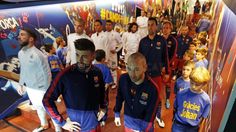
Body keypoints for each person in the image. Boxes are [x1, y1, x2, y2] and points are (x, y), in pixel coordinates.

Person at [43, 38, 106, 132]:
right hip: (78, 128)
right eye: (77, 55)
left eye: (84, 56)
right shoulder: (65, 75)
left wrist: (103, 107)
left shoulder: (97, 72)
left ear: (93, 56)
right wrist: (62, 122)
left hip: (95, 124)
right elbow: (47, 99)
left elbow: (102, 92)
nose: (79, 60)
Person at [17, 28, 61, 132]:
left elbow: (47, 73)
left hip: (42, 88)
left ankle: (58, 128)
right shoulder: (20, 53)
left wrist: (47, 89)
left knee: (50, 109)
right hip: (30, 88)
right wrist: (21, 83)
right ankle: (44, 124)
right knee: (38, 107)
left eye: (22, 35)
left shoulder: (38, 55)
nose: (19, 37)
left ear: (31, 39)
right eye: (19, 35)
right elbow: (23, 69)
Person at [114, 52, 159, 131]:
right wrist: (117, 113)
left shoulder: (152, 88)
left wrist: (144, 129)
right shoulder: (123, 79)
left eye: (136, 69)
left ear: (145, 68)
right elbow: (119, 97)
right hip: (128, 122)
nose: (132, 74)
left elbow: (151, 114)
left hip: (143, 125)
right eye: (129, 69)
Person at [138, 17, 169, 128]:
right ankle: (144, 116)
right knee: (143, 96)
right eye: (148, 24)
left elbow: (165, 57)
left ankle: (158, 116)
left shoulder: (162, 40)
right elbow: (139, 58)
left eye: (152, 24)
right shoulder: (143, 41)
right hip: (144, 75)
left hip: (156, 75)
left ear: (156, 26)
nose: (150, 27)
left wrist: (167, 72)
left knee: (158, 98)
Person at [172, 67, 211, 132]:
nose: (193, 86)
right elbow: (175, 107)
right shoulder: (181, 93)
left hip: (193, 128)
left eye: (197, 85)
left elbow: (203, 117)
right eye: (192, 83)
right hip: (178, 125)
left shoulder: (206, 99)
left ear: (204, 84)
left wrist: (200, 129)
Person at [94, 49, 113, 126]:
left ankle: (96, 118)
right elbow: (108, 82)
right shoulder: (105, 68)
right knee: (103, 105)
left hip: (94, 92)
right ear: (103, 59)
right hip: (103, 92)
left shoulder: (92, 67)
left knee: (95, 105)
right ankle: (103, 120)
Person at [161, 20, 178, 109]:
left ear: (170, 29)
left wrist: (165, 66)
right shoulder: (158, 39)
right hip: (158, 67)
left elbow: (172, 56)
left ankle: (167, 99)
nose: (165, 30)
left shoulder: (173, 41)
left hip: (168, 67)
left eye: (167, 28)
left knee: (167, 84)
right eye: (164, 28)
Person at [105, 20, 123, 88]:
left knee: (113, 69)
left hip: (113, 55)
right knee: (107, 68)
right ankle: (108, 81)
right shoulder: (104, 34)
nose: (108, 26)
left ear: (112, 26)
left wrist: (116, 50)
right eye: (107, 24)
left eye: (109, 24)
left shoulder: (116, 34)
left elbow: (121, 43)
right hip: (105, 55)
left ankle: (115, 83)